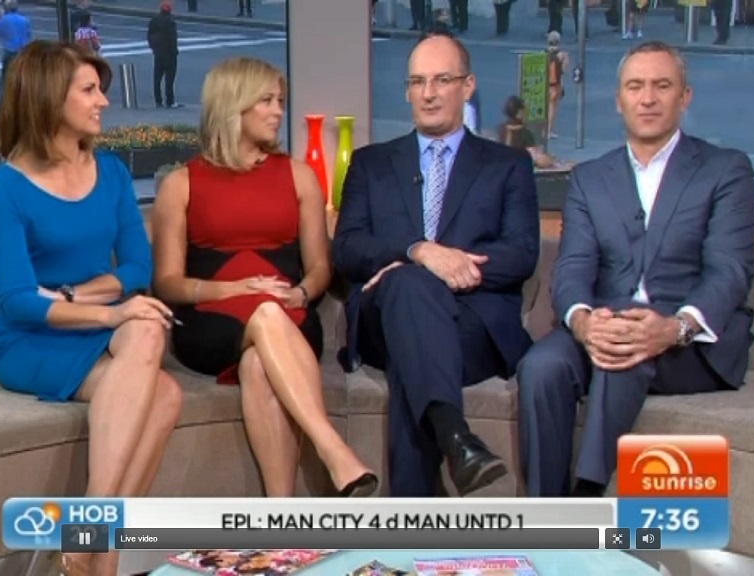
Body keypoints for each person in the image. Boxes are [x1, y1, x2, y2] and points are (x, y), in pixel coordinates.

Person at [516, 41, 754, 497]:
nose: (648, 98)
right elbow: (572, 267)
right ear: (619, 100)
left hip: (689, 346)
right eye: (635, 86)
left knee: (624, 352)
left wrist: (675, 328)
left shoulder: (725, 170)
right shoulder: (590, 178)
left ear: (684, 97)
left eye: (661, 86)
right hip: (606, 326)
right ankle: (545, 513)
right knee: (541, 366)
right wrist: (584, 322)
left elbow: (729, 271)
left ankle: (586, 499)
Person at [0, 41, 183, 576]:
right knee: (163, 391)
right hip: (30, 341)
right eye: (90, 90)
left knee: (149, 331)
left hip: (83, 321)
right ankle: (100, 552)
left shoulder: (111, 172)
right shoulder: (5, 187)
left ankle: (86, 544)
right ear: (51, 97)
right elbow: (18, 300)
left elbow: (137, 267)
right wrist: (111, 312)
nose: (103, 102)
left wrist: (74, 295)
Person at [151, 57, 378, 498]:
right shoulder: (181, 184)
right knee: (266, 314)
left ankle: (281, 517)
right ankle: (333, 450)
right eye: (267, 101)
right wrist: (232, 289)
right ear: (233, 104)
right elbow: (167, 282)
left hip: (290, 317)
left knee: (259, 361)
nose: (278, 111)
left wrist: (302, 293)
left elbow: (320, 268)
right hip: (210, 323)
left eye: (280, 100)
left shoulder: (299, 176)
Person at [332, 34, 540, 497]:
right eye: (417, 82)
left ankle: (422, 503)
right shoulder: (370, 164)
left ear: (468, 86)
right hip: (382, 319)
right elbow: (346, 248)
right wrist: (419, 252)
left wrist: (449, 267)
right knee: (409, 290)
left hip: (472, 324)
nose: (428, 93)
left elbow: (521, 252)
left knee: (413, 346)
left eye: (442, 80)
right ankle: (457, 441)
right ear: (407, 90)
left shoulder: (508, 165)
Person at [0, 0, 32, 108]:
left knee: (5, 77)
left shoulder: (4, 20)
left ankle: (0, 102)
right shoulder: (24, 20)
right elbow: (28, 34)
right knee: (21, 77)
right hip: (22, 51)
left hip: (10, 52)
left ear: (6, 8)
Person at [498, 95, 554, 169]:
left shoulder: (501, 128)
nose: (526, 113)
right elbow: (537, 159)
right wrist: (550, 160)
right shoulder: (525, 133)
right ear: (519, 113)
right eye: (525, 111)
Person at [147, 1, 183, 109]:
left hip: (158, 53)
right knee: (169, 79)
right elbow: (172, 39)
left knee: (157, 78)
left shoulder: (154, 20)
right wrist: (175, 51)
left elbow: (149, 35)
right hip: (170, 54)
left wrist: (153, 48)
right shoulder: (170, 21)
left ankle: (158, 100)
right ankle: (170, 101)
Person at [546, 31, 568, 139]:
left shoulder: (543, 53)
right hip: (555, 85)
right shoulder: (562, 55)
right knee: (552, 108)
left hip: (544, 83)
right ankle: (549, 131)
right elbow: (564, 70)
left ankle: (542, 129)